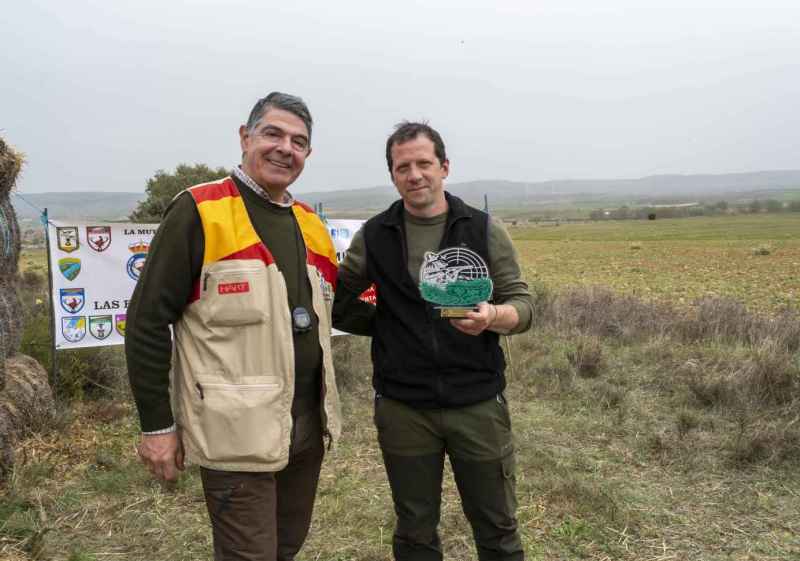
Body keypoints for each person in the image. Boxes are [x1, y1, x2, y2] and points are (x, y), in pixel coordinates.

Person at [125, 92, 341, 561]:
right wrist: (157, 426)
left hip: (304, 425)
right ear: (245, 138)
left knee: (286, 547)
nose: (286, 148)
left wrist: (417, 303)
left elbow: (342, 307)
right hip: (233, 433)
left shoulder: (310, 224)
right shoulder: (199, 211)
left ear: (308, 155)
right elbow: (145, 321)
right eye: (273, 134)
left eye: (299, 141)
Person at [332, 122, 533, 561]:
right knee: (415, 531)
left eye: (424, 163)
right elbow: (342, 304)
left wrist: (493, 317)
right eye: (403, 167)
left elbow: (523, 304)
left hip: (477, 404)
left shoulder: (481, 229)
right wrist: (392, 328)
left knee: (497, 527)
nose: (415, 174)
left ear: (444, 167)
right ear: (393, 175)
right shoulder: (376, 234)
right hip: (403, 407)